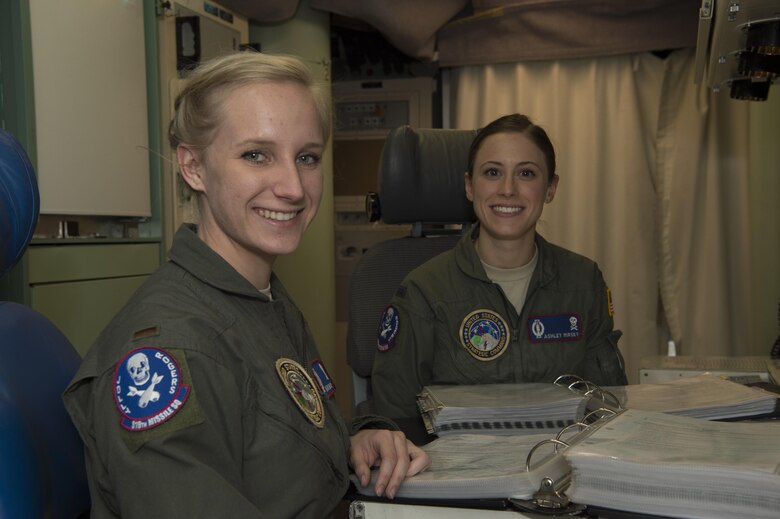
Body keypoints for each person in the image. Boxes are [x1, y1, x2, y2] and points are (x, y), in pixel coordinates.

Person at [63, 51, 429, 518]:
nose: (294, 187)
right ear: (193, 166)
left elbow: (282, 443)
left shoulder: (260, 299)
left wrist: (354, 440)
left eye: (307, 157)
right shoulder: (177, 350)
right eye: (257, 155)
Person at [371, 113, 627, 440]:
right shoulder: (424, 290)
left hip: (562, 473)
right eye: (492, 172)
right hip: (460, 477)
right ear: (468, 185)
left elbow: (608, 403)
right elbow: (396, 421)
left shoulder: (583, 281)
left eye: (526, 173)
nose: (508, 189)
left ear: (550, 188)